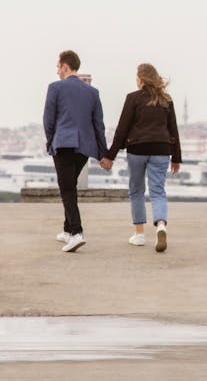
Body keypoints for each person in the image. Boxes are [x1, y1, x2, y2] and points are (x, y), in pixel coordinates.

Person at [101, 63, 181, 252]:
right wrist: (176, 157)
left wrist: (110, 156)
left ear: (141, 78)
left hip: (137, 149)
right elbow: (173, 130)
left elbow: (122, 129)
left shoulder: (133, 98)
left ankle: (139, 234)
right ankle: (161, 225)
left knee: (136, 190)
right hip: (161, 149)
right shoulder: (166, 100)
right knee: (158, 191)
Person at [43, 50, 107, 252]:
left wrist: (50, 142)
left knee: (67, 189)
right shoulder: (92, 92)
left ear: (65, 66)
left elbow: (48, 120)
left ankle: (77, 233)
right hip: (84, 148)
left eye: (58, 67)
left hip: (63, 143)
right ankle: (67, 230)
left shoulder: (55, 88)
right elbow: (99, 125)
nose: (57, 71)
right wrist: (103, 153)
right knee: (70, 186)